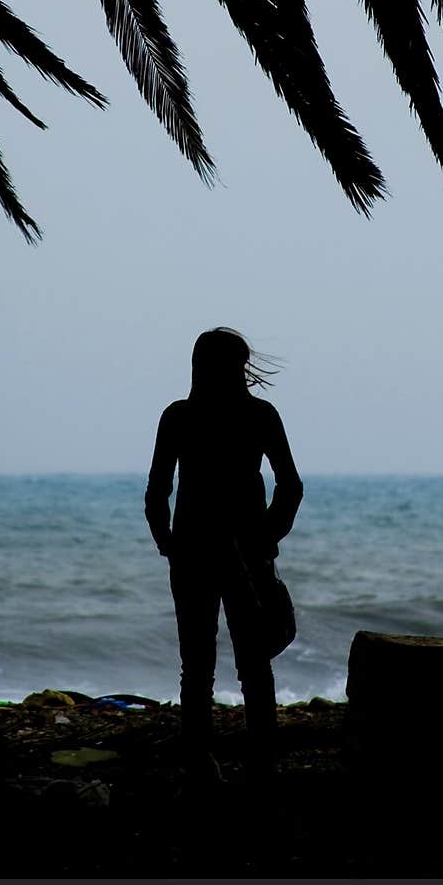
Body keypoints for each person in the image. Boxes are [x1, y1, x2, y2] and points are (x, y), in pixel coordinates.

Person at [145, 327, 303, 784]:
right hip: (244, 553)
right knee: (254, 665)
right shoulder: (259, 415)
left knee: (197, 667)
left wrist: (168, 544)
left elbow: (158, 493)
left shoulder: (179, 416)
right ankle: (262, 763)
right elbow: (290, 487)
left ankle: (200, 763)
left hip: (194, 552)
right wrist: (267, 537)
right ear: (240, 366)